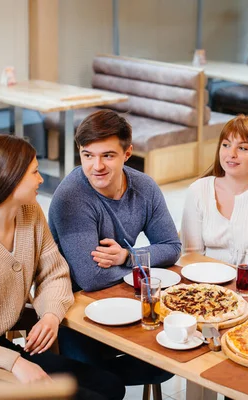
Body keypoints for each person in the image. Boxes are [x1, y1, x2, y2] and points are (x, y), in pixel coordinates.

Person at [0, 135, 125, 400]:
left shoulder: (30, 212)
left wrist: (50, 314)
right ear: (9, 177)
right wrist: (15, 363)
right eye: (35, 172)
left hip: (4, 350)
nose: (40, 180)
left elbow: (54, 273)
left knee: (111, 386)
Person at [49, 109, 176, 385]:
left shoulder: (145, 188)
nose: (97, 166)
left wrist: (128, 256)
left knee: (169, 362)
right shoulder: (72, 196)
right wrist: (144, 265)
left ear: (127, 154)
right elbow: (90, 278)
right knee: (103, 384)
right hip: (77, 316)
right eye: (87, 155)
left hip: (127, 305)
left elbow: (171, 246)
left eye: (107, 155)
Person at [181, 114, 248, 264]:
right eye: (226, 145)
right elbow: (191, 257)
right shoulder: (197, 190)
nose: (231, 154)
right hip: (201, 282)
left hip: (246, 284)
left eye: (243, 148)